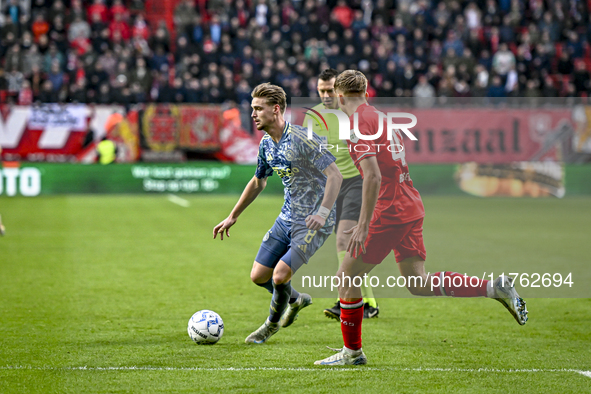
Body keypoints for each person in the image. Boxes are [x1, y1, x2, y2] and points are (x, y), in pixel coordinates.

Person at [314, 70, 528, 366]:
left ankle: (352, 353)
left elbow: (373, 176)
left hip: (389, 210)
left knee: (347, 276)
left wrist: (363, 224)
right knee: (417, 282)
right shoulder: (380, 117)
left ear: (339, 95)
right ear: (366, 91)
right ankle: (493, 287)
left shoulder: (358, 124)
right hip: (409, 204)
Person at [213, 83, 343, 344]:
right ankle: (296, 299)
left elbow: (335, 176)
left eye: (258, 109)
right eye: (252, 108)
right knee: (259, 276)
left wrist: (323, 213)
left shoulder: (302, 139)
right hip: (286, 218)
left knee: (280, 274)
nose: (253, 114)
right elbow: (258, 181)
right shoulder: (266, 144)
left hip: (313, 222)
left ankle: (269, 326)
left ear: (275, 109)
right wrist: (233, 215)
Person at [302, 69, 379, 320]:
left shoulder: (352, 115)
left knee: (344, 242)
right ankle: (365, 300)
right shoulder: (312, 116)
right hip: (330, 185)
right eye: (321, 90)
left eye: (329, 90)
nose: (325, 95)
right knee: (344, 243)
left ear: (339, 91)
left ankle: (354, 299)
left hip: (356, 181)